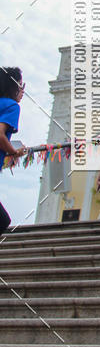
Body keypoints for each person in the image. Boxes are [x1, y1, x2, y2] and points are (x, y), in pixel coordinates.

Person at [0, 67, 28, 235]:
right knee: (3, 220)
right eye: (21, 85)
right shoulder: (11, 106)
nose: (23, 90)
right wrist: (15, 152)